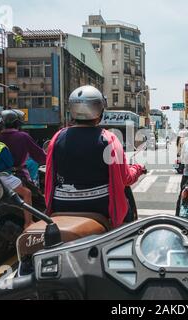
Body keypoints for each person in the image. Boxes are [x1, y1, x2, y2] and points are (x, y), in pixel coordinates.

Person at [44, 85, 146, 228]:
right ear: (100, 111)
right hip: (100, 207)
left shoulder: (57, 138)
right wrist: (138, 168)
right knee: (129, 225)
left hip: (61, 205)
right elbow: (125, 178)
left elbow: (50, 173)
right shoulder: (109, 139)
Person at [0, 109, 47, 183]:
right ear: (18, 123)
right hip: (19, 176)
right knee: (33, 193)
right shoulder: (23, 136)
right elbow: (40, 157)